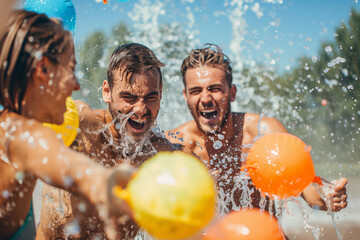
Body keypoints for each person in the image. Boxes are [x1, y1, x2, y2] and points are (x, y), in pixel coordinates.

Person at [166, 44, 348, 216]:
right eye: (196, 91)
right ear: (186, 96)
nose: (205, 99)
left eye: (215, 89)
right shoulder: (175, 144)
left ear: (232, 92)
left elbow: (305, 187)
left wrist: (325, 195)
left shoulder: (263, 133)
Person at [0, 10, 135, 240]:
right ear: (42, 70)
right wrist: (103, 181)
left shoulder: (8, 126)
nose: (76, 85)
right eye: (70, 69)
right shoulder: (23, 135)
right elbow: (66, 165)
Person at [37, 43, 188, 239]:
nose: (141, 110)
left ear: (160, 93)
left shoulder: (162, 156)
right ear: (107, 92)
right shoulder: (80, 125)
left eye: (151, 97)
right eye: (129, 97)